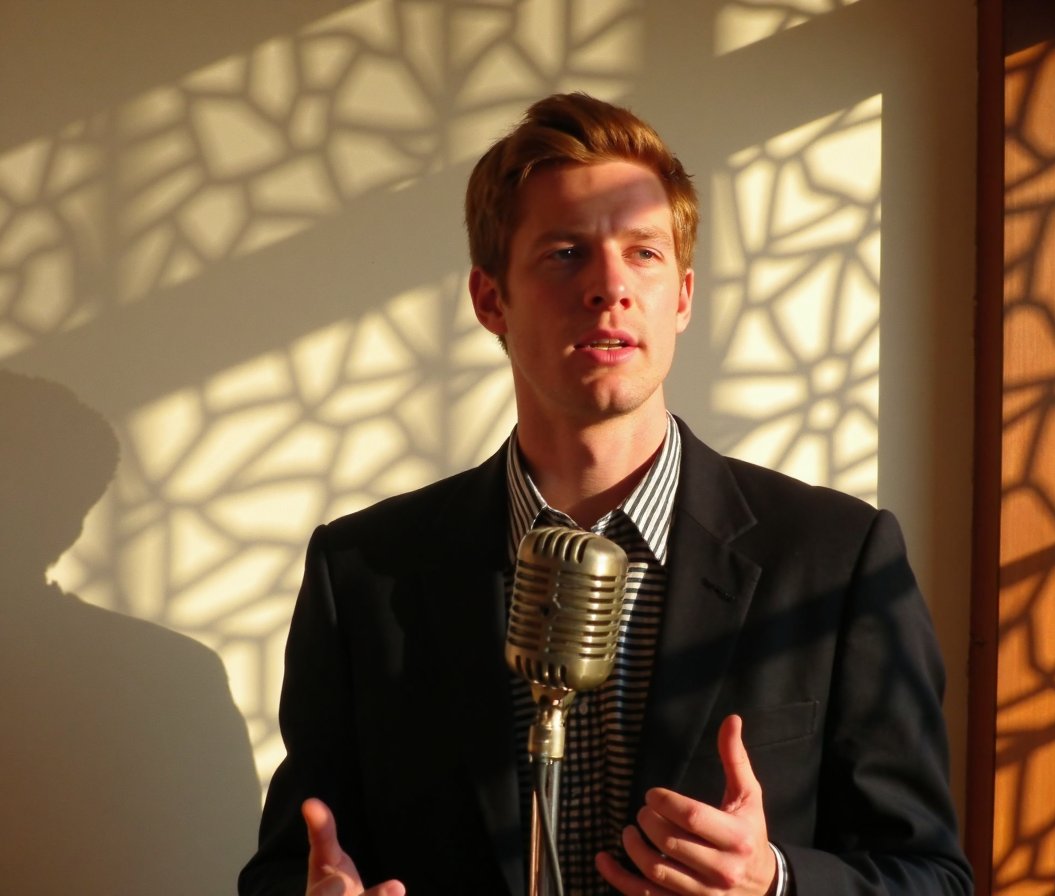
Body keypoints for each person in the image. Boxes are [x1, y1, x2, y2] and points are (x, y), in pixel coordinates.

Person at [238, 92, 973, 896]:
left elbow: (931, 876)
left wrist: (775, 882)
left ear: (683, 297)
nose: (610, 288)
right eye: (564, 253)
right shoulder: (364, 573)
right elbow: (290, 866)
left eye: (644, 253)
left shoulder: (837, 559)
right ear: (491, 301)